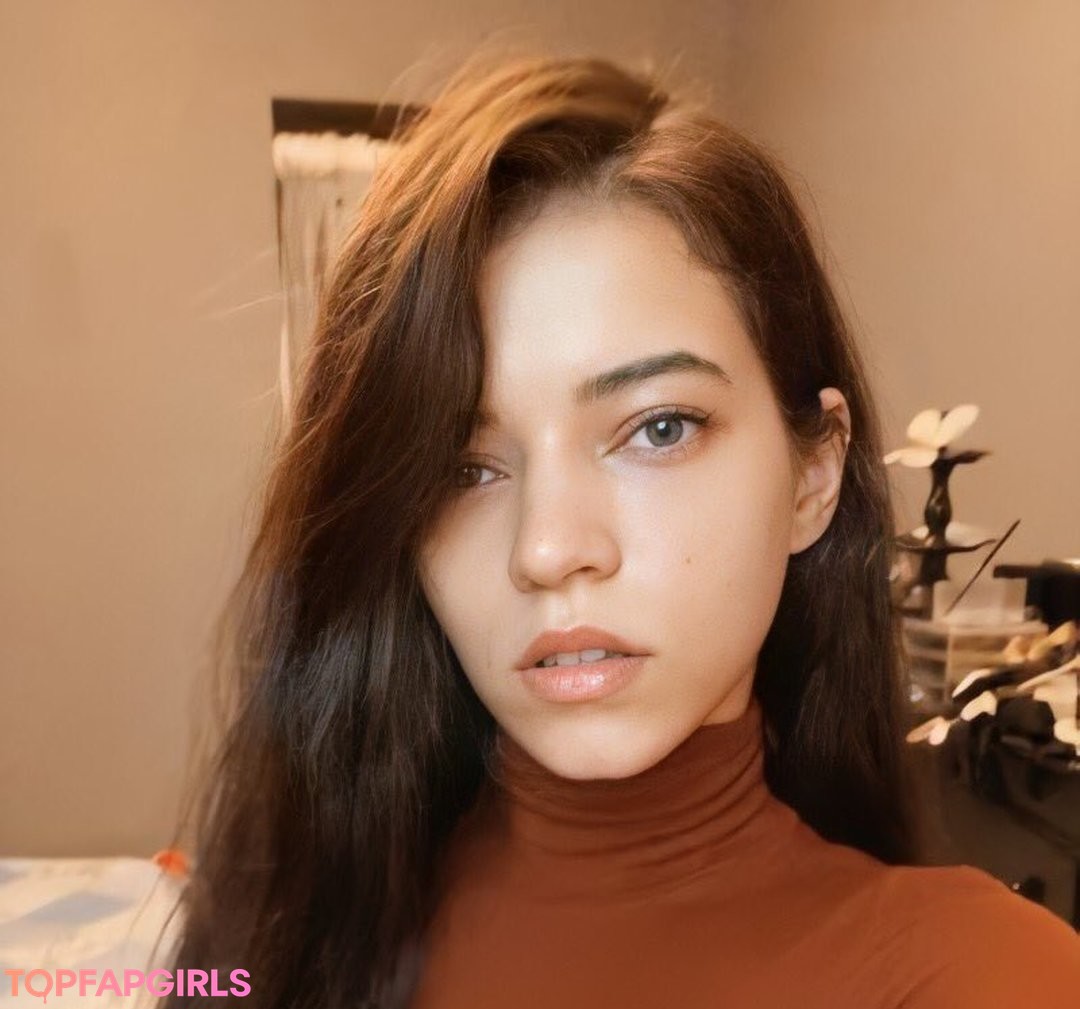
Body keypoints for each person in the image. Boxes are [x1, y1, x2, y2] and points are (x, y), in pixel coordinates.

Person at [161, 51, 1080, 1009]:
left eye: (659, 428)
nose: (548, 549)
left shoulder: (980, 976)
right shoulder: (296, 917)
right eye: (462, 468)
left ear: (814, 473)